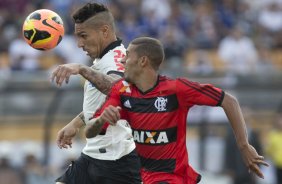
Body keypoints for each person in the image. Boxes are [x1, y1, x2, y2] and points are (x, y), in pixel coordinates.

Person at [85, 37, 269, 184]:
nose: (123, 60)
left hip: (174, 178)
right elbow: (90, 131)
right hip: (144, 176)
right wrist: (101, 121)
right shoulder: (122, 91)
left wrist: (244, 145)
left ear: (142, 61)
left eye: (127, 55)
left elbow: (229, 101)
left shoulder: (177, 89)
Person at [51, 3, 141, 184]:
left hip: (117, 162)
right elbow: (105, 101)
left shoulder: (117, 61)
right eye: (77, 36)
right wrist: (75, 124)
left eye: (83, 36)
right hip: (94, 155)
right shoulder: (104, 59)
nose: (79, 43)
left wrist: (82, 69)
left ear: (104, 31)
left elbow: (120, 92)